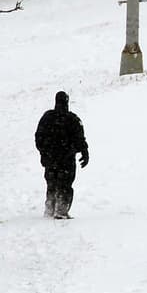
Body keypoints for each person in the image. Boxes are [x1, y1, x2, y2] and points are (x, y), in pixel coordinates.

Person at [34, 90, 89, 219]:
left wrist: (44, 152)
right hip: (66, 160)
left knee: (52, 184)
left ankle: (50, 208)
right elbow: (80, 139)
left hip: (51, 159)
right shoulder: (72, 119)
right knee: (65, 185)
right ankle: (61, 211)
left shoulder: (47, 118)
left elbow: (38, 137)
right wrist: (84, 152)